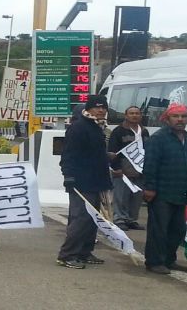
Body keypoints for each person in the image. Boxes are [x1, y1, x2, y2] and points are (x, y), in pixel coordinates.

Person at [56, 95, 113, 269]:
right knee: (80, 219)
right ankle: (67, 255)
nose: (101, 110)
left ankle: (84, 251)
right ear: (88, 109)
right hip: (81, 181)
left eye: (104, 107)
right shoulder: (79, 127)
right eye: (97, 107)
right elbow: (69, 154)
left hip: (97, 181)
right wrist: (69, 177)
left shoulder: (97, 127)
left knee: (93, 220)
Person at [143, 104, 187, 275]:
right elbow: (150, 164)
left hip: (182, 191)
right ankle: (154, 261)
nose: (180, 120)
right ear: (167, 119)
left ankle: (168, 259)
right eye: (176, 116)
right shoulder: (158, 138)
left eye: (183, 116)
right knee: (159, 229)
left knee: (178, 229)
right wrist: (149, 188)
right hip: (162, 192)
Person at [107, 106, 149, 231]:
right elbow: (112, 151)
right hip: (122, 171)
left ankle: (131, 219)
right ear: (126, 115)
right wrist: (116, 168)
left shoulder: (144, 131)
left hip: (140, 170)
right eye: (131, 113)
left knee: (136, 198)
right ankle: (119, 219)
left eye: (137, 113)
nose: (134, 115)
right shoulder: (118, 131)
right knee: (120, 197)